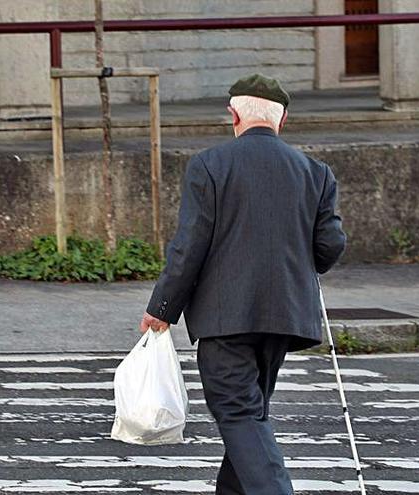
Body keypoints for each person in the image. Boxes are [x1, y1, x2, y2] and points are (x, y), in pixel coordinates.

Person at [139, 73, 347, 495]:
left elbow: (190, 245)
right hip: (284, 318)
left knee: (239, 415)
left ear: (233, 114)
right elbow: (330, 248)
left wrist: (161, 309)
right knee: (249, 416)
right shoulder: (315, 172)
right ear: (281, 119)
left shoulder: (210, 166)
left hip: (225, 318)